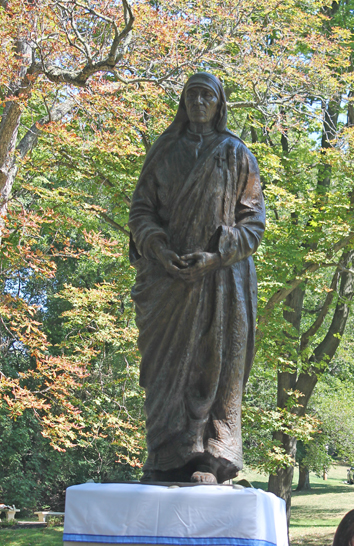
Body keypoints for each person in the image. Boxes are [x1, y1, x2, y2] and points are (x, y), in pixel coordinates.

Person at [128, 72, 265, 484]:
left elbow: (253, 224)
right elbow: (141, 211)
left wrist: (215, 255)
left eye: (207, 95)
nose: (199, 102)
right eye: (192, 94)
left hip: (220, 284)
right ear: (183, 102)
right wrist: (157, 249)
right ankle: (167, 455)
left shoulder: (236, 153)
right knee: (165, 369)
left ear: (220, 103)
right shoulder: (164, 152)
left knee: (213, 363)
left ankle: (208, 456)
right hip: (168, 282)